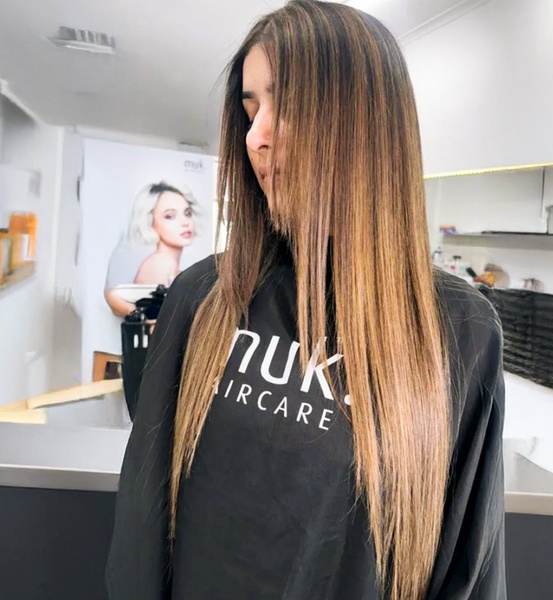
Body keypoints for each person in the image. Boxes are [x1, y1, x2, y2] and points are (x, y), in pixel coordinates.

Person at [106, 1, 506, 599]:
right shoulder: (205, 297)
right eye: (251, 109)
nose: (255, 137)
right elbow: (140, 535)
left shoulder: (458, 329)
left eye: (286, 106)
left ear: (366, 125)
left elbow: (467, 571)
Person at [104, 181, 200, 317]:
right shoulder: (162, 263)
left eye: (187, 213)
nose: (185, 222)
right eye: (170, 216)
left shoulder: (167, 263)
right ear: (150, 221)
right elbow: (157, 321)